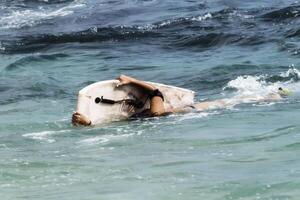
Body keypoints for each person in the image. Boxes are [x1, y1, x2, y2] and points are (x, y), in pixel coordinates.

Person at [72, 75, 286, 126]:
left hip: (197, 109)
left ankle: (271, 95)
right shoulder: (145, 118)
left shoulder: (156, 115)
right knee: (236, 100)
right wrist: (88, 122)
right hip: (191, 110)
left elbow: (157, 93)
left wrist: (131, 80)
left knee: (236, 102)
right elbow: (109, 122)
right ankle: (269, 95)